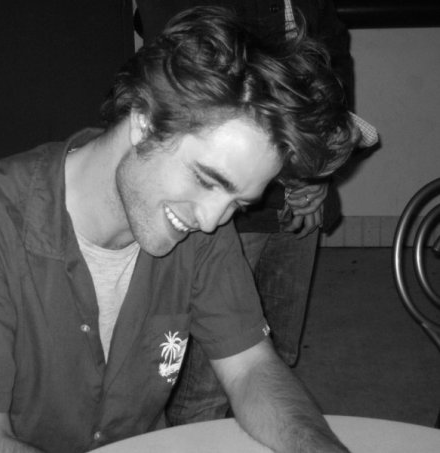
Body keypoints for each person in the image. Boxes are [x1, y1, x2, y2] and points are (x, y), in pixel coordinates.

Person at [0, 6, 363, 453]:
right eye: (207, 180)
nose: (211, 220)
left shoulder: (203, 227)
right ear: (144, 119)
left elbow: (250, 368)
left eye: (238, 203)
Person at [135, 0, 378, 424]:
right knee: (211, 377)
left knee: (277, 358)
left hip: (302, 194)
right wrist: (294, 169)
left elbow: (333, 64)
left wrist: (318, 169)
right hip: (231, 198)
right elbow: (188, 78)